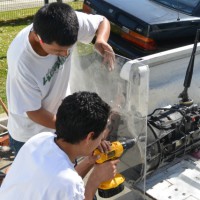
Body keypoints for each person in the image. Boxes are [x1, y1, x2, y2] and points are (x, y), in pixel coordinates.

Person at [6, 2, 114, 154]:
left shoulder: (67, 22)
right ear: (38, 38)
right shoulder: (23, 63)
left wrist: (100, 40)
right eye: (57, 51)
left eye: (68, 48)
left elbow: (103, 22)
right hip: (30, 135)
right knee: (42, 177)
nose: (65, 54)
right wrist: (78, 131)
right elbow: (34, 112)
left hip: (61, 122)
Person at [0, 91, 120, 199]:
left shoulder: (40, 139)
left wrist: (89, 161)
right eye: (100, 137)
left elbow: (60, 182)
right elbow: (66, 185)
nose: (101, 141)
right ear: (89, 137)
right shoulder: (68, 184)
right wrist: (95, 180)